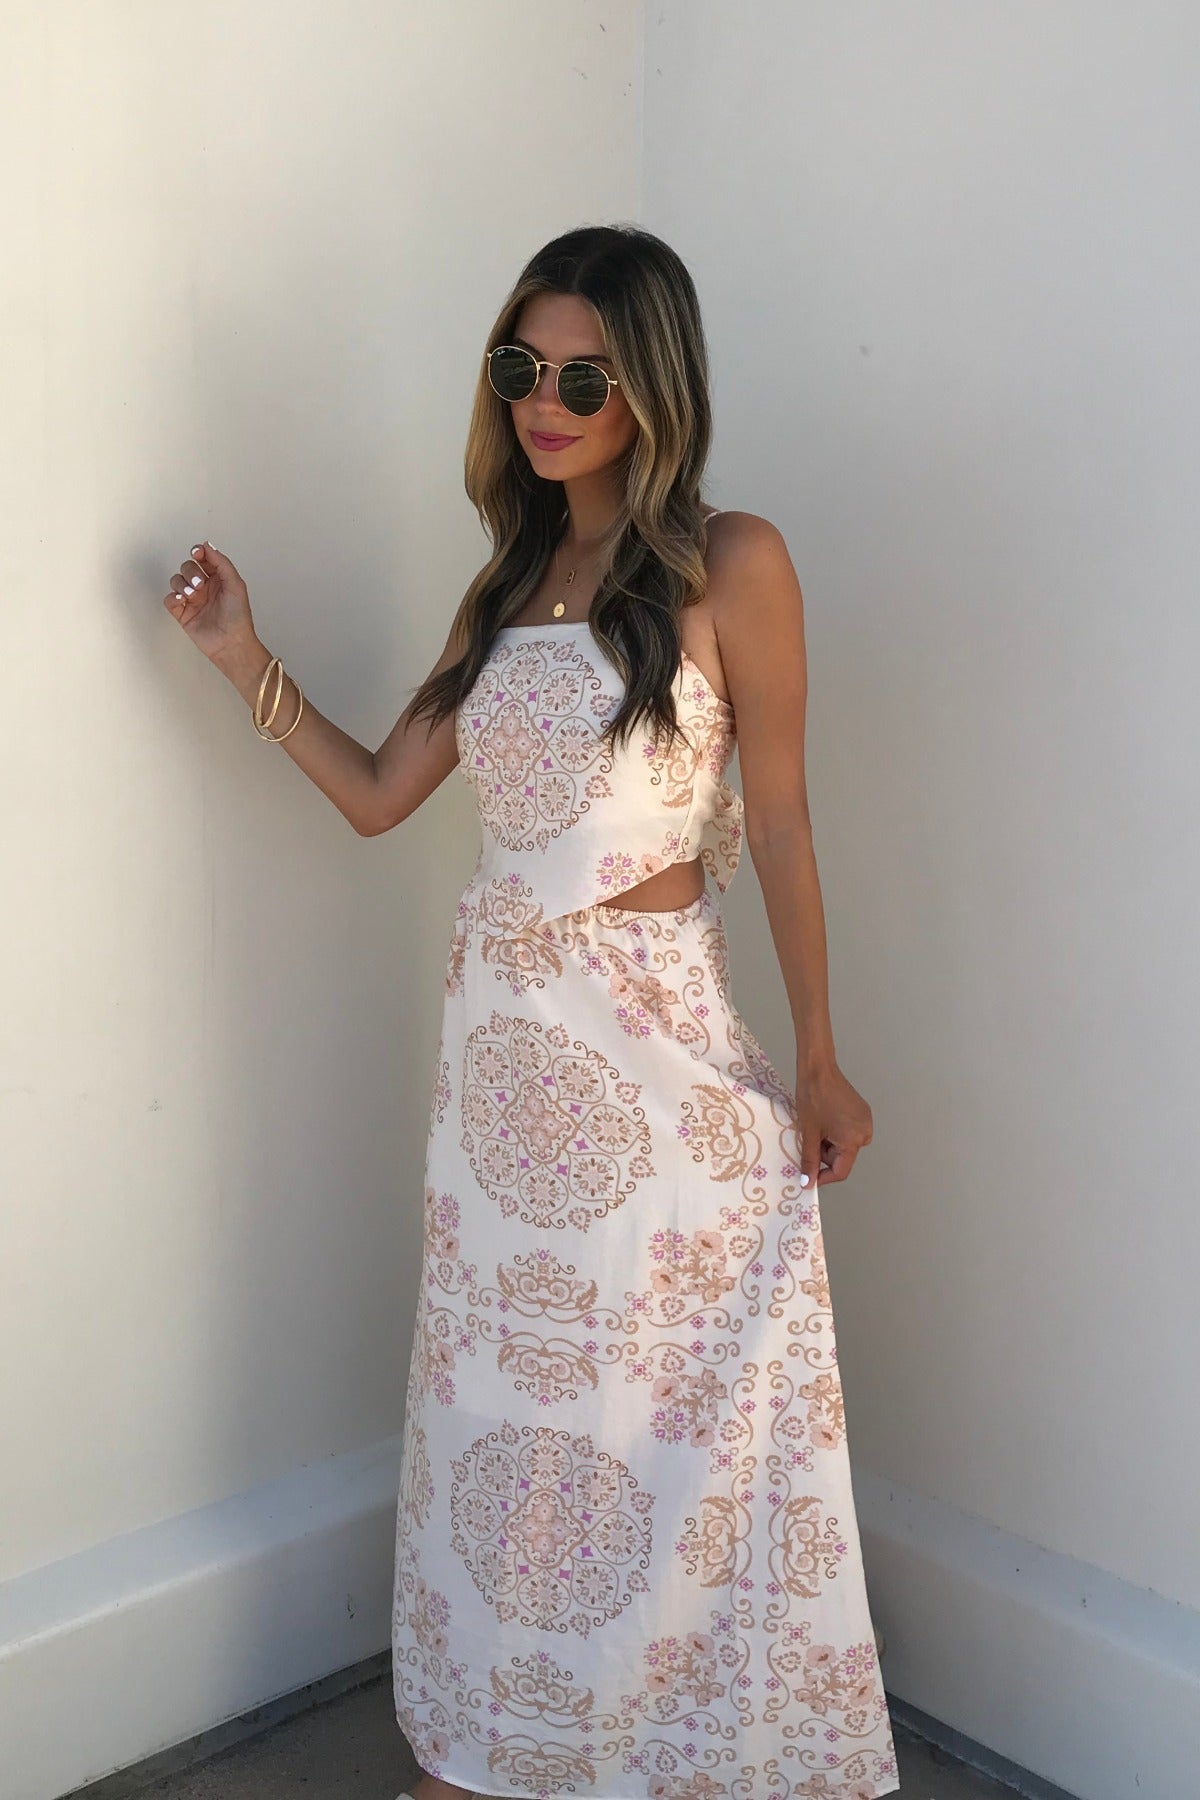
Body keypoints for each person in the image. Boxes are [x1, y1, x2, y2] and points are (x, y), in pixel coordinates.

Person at [164, 223, 898, 1800]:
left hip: (661, 1085)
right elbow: (378, 795)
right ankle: (494, 1749)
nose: (546, 402)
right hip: (502, 1098)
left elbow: (779, 825)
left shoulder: (732, 563)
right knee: (509, 1445)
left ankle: (656, 1759)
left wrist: (823, 1058)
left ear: (652, 388)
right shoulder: (503, 585)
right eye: (522, 369)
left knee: (648, 1450)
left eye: (584, 374)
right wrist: (243, 658)